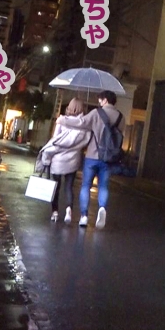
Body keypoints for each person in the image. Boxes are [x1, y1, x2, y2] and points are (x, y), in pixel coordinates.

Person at [56, 90, 124, 229]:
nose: (99, 102)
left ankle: (84, 216)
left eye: (100, 99)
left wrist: (63, 120)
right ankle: (102, 208)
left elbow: (81, 122)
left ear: (105, 100)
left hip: (92, 156)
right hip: (109, 158)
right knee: (103, 186)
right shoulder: (121, 117)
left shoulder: (96, 113)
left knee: (86, 186)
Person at [37, 98, 92, 223]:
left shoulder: (62, 121)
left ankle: (55, 212)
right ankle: (68, 210)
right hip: (73, 160)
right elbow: (85, 142)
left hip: (58, 160)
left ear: (69, 107)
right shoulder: (84, 125)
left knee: (55, 187)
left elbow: (55, 139)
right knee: (69, 187)